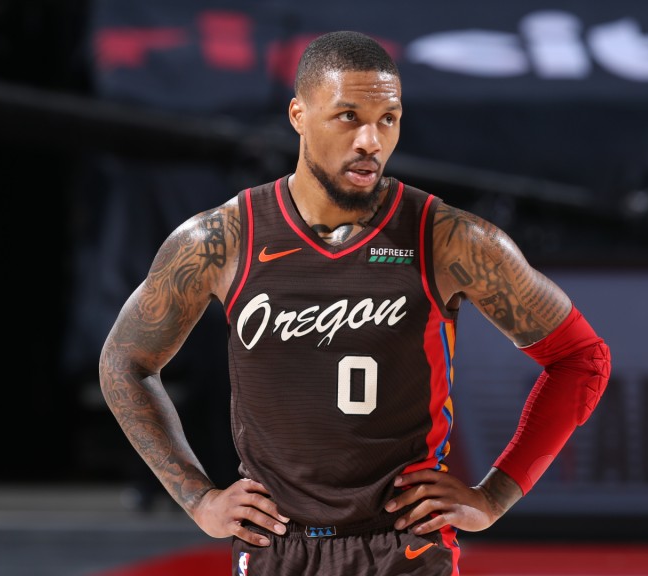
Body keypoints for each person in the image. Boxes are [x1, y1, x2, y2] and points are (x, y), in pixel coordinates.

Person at [99, 30, 612, 575]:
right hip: (276, 545)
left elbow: (582, 358)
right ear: (298, 115)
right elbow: (124, 364)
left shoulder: (450, 240)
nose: (371, 139)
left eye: (387, 119)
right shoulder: (221, 239)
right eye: (349, 116)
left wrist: (497, 493)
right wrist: (197, 497)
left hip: (401, 546)